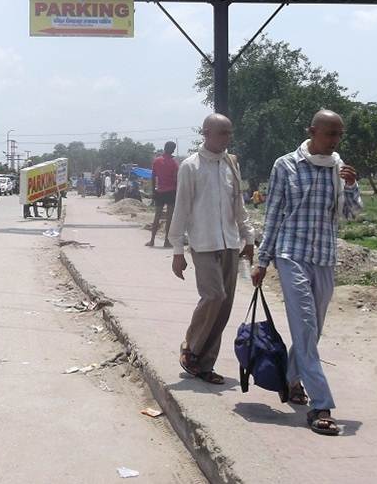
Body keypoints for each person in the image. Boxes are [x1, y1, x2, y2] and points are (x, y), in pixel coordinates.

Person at [252, 110, 363, 436]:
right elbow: (273, 215)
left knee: (311, 331)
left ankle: (290, 379)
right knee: (304, 324)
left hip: (324, 257)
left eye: (339, 135)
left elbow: (350, 214)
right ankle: (320, 404)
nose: (335, 141)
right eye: (330, 134)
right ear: (312, 132)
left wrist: (352, 186)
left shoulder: (337, 169)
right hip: (291, 255)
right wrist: (263, 259)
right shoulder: (285, 165)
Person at [169, 114, 254, 384]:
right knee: (214, 297)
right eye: (222, 133)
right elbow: (181, 208)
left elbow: (237, 204)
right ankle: (191, 348)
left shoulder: (231, 164)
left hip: (229, 242)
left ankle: (204, 364)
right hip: (203, 244)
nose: (227, 138)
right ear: (206, 133)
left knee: (225, 306)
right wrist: (178, 250)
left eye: (229, 133)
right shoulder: (190, 167)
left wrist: (248, 238)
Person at [148, 141, 179, 248]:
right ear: (172, 150)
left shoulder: (157, 161)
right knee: (169, 218)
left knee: (157, 216)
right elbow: (176, 179)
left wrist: (153, 191)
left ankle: (152, 240)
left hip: (159, 192)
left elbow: (153, 177)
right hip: (171, 192)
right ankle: (166, 241)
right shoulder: (174, 163)